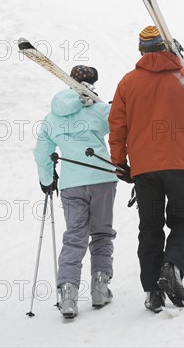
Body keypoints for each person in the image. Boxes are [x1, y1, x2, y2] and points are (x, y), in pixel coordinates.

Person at [108, 26, 184, 313]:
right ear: (167, 47)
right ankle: (173, 266)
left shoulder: (127, 83)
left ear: (141, 51)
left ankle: (152, 291)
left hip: (145, 170)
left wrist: (120, 162)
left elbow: (117, 126)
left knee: (150, 228)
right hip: (180, 165)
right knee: (182, 222)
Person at [33, 65, 117, 319]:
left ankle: (68, 295)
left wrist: (47, 179)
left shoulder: (51, 117)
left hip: (71, 183)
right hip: (102, 178)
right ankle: (100, 288)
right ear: (93, 83)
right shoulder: (99, 111)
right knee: (101, 233)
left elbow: (41, 152)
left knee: (74, 237)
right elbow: (122, 124)